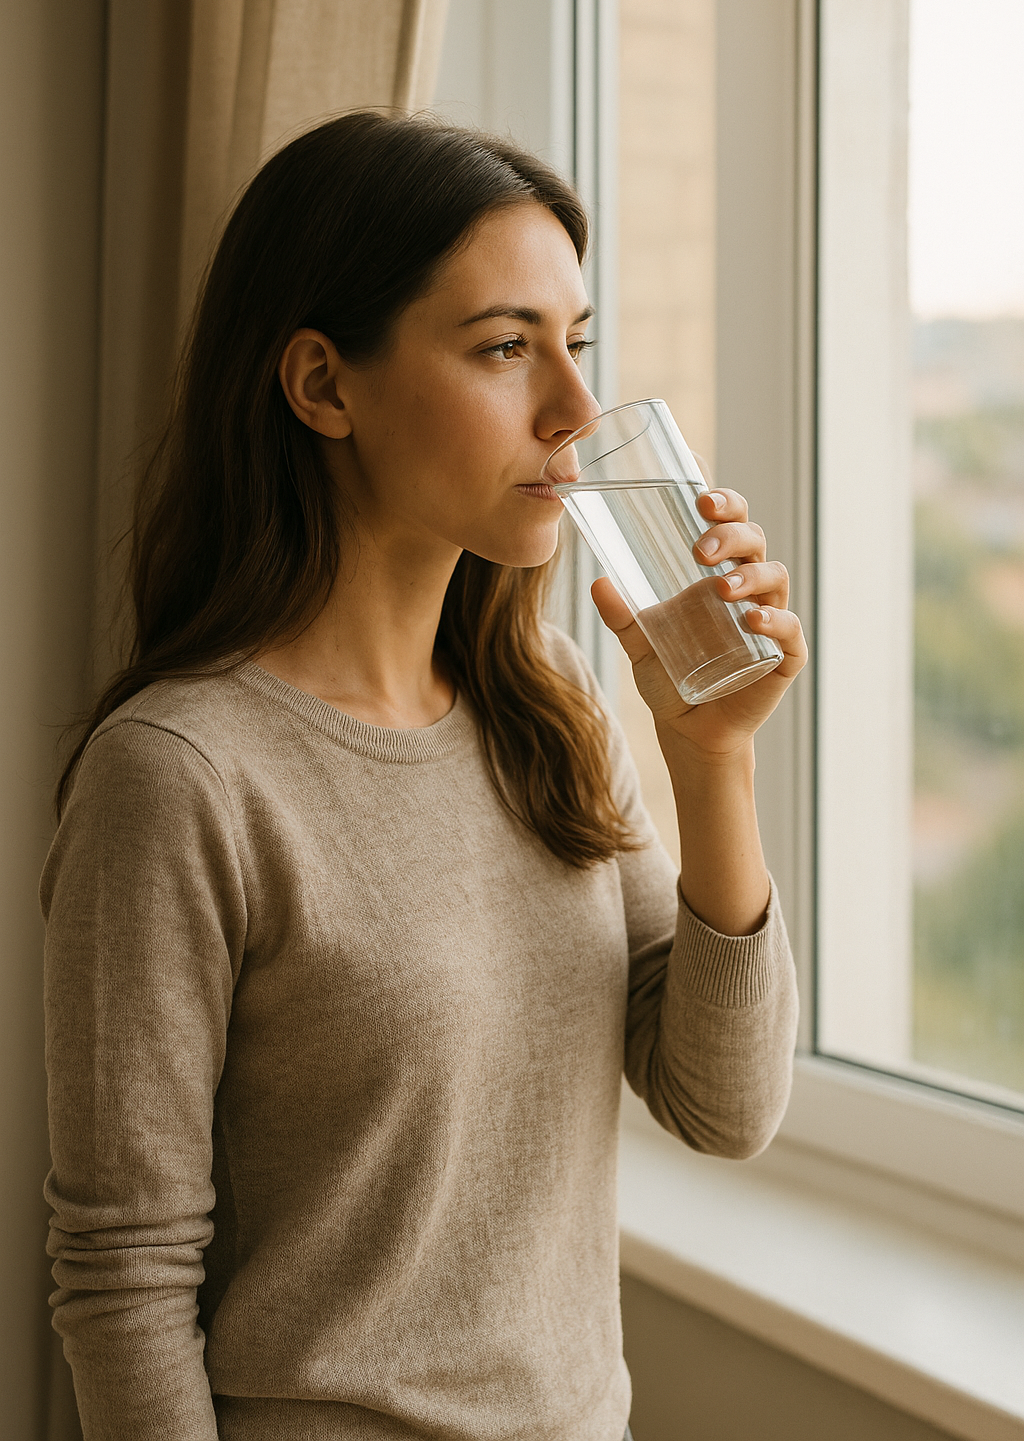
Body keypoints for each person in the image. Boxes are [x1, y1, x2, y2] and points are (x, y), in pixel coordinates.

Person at [41, 111, 805, 1441]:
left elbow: (721, 1106)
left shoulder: (550, 699)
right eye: (506, 348)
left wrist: (712, 757)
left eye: (577, 345)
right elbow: (123, 1277)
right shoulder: (179, 775)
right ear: (324, 386)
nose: (574, 411)